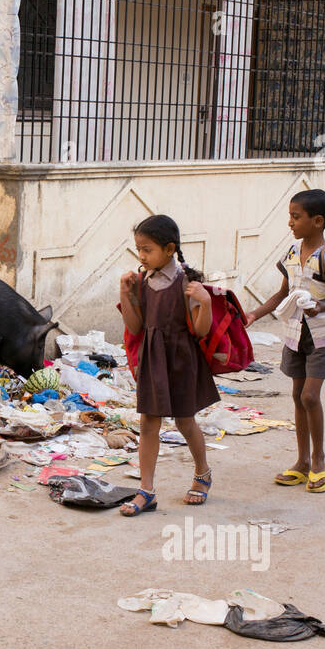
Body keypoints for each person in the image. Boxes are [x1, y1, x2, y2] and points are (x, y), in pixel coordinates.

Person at [243, 189, 325, 493]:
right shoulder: (292, 253)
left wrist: (321, 306)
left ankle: (319, 461)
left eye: (296, 217)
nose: (290, 223)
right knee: (296, 395)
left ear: (317, 221)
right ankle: (301, 462)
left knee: (309, 397)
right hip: (295, 334)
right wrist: (254, 314)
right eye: (290, 216)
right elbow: (282, 293)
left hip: (322, 335)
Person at [116, 215, 218, 516]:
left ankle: (203, 474)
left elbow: (200, 331)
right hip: (152, 358)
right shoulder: (141, 282)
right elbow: (135, 328)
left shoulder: (187, 282)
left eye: (147, 249)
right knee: (149, 423)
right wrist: (125, 295)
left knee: (185, 422)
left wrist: (206, 303)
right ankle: (146, 491)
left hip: (181, 359)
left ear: (170, 248)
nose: (141, 256)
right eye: (138, 249)